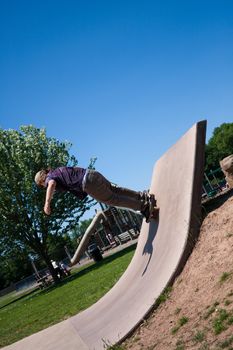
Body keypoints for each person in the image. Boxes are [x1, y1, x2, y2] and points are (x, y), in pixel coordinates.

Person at [34, 166, 158, 222]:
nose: (44, 187)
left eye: (41, 186)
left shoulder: (50, 178)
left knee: (113, 199)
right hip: (92, 173)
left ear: (41, 180)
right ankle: (143, 196)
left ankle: (145, 207)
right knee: (116, 190)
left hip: (88, 182)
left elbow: (51, 184)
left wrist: (47, 203)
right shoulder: (57, 171)